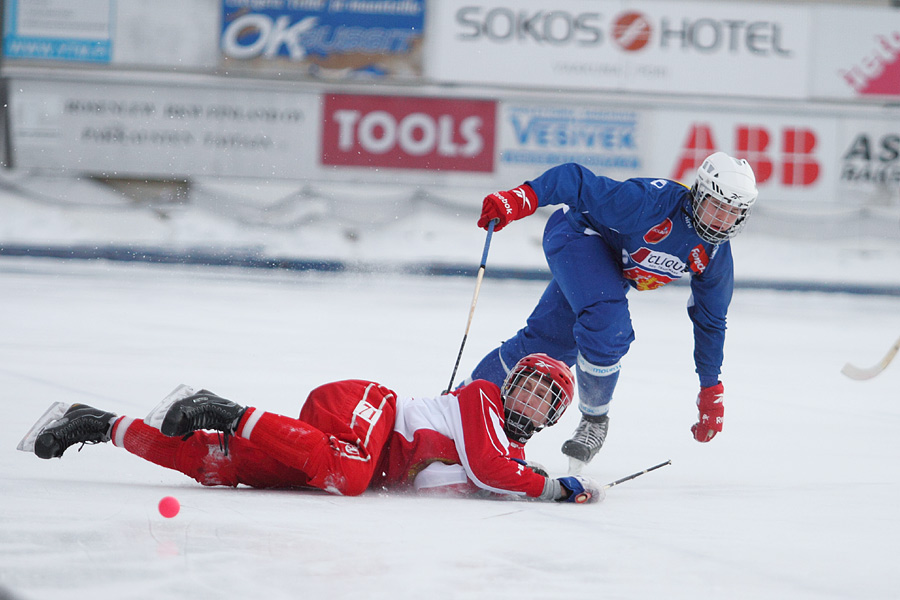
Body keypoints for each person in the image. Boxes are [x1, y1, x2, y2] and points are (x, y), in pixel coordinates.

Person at [467, 152, 759, 472]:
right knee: (608, 325)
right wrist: (521, 198)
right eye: (716, 206)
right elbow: (574, 180)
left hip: (608, 271)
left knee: (546, 344)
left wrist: (710, 386)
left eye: (733, 213)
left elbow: (711, 320)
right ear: (697, 194)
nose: (721, 220)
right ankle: (594, 420)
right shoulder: (648, 203)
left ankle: (458, 406)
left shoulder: (715, 255)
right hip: (576, 234)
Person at [18, 353, 602, 504]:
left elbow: (432, 488)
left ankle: (94, 424)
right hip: (365, 411)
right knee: (348, 477)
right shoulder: (480, 402)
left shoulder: (509, 456)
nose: (527, 396)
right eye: (526, 382)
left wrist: (526, 477)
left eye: (544, 395)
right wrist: (548, 487)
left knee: (215, 466)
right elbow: (488, 468)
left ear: (552, 416)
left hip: (350, 450)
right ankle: (218, 406)